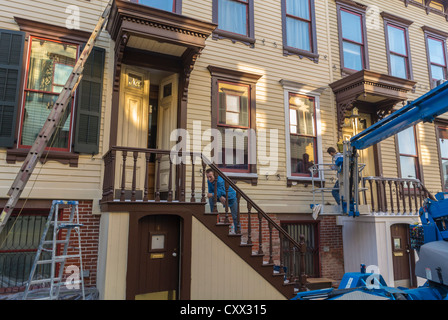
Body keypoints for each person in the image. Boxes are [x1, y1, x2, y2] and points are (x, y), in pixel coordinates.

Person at [206, 168, 239, 234]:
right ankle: (215, 216)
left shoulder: (220, 180)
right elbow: (211, 192)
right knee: (211, 198)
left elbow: (218, 192)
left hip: (231, 197)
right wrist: (219, 196)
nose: (209, 179)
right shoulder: (209, 181)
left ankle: (237, 232)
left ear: (214, 175)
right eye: (207, 177)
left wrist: (216, 195)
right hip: (222, 196)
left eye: (210, 177)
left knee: (235, 217)